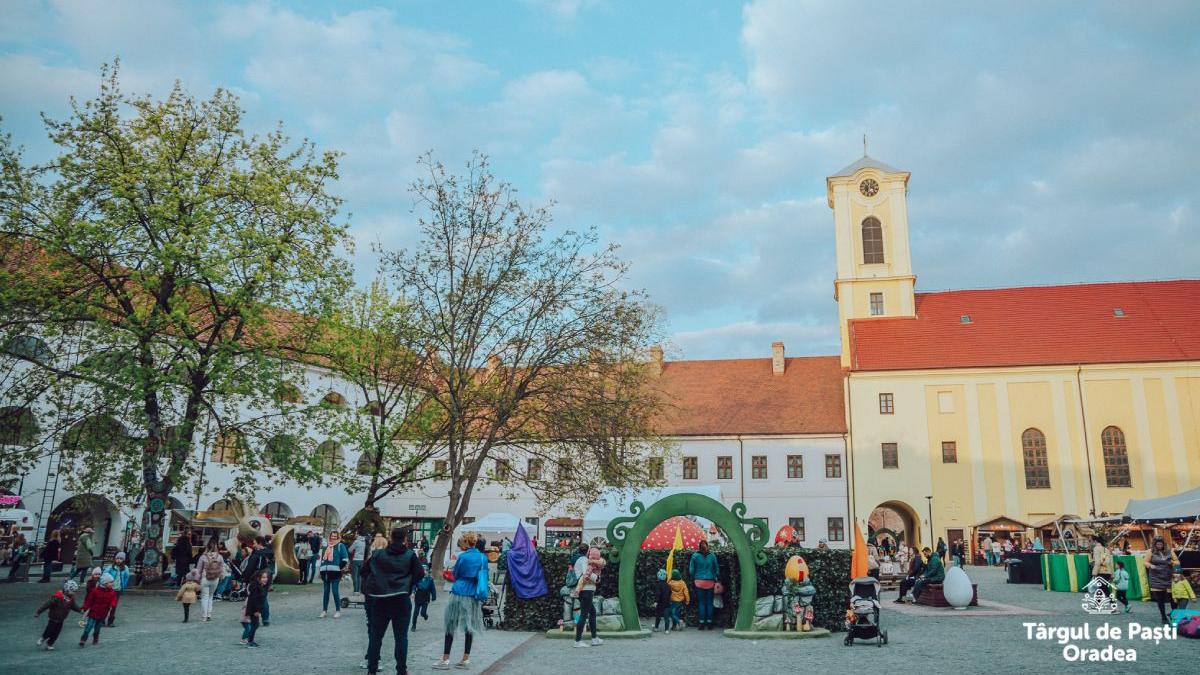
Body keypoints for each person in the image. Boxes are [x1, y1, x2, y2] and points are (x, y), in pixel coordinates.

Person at [360, 526, 424, 675]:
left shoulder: (377, 554)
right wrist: (408, 584)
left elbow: (364, 572)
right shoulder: (409, 555)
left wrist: (375, 584)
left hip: (380, 599)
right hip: (401, 599)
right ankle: (401, 670)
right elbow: (420, 573)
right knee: (401, 637)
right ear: (405, 540)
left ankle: (372, 670)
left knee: (376, 637)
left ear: (390, 538)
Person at [434, 533, 486, 670]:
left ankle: (445, 658)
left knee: (451, 623)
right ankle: (465, 658)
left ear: (466, 543)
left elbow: (456, 574)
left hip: (459, 592)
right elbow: (484, 576)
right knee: (470, 625)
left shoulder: (463, 557)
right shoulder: (482, 557)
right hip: (473, 593)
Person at [35, 579, 83, 650]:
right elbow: (46, 605)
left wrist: (80, 610)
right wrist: (38, 612)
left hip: (61, 619)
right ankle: (43, 638)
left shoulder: (71, 599)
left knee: (56, 634)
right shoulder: (57, 597)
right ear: (67, 590)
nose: (74, 593)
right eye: (73, 591)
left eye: (75, 591)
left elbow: (74, 606)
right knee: (49, 630)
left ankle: (49, 644)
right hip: (53, 618)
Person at [572, 546, 604, 647]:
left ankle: (594, 638)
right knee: (584, 614)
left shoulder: (580, 559)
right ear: (588, 552)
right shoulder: (584, 560)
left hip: (585, 590)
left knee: (592, 613)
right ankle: (578, 641)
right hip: (586, 590)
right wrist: (597, 578)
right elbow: (587, 573)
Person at [1144, 536, 1178, 624]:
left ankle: (1174, 615)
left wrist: (1173, 562)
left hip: (1168, 576)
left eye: (1161, 544)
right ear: (1155, 544)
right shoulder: (1150, 551)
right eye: (1158, 544)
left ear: (1164, 544)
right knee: (1160, 599)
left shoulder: (1170, 551)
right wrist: (1150, 566)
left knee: (1173, 598)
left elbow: (1178, 562)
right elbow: (1145, 562)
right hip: (1156, 577)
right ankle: (1163, 617)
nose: (1159, 545)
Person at [79, 573, 118, 647]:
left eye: (112, 582)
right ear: (104, 583)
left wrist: (112, 605)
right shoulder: (95, 591)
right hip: (93, 612)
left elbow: (114, 600)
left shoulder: (112, 592)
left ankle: (95, 638)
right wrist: (85, 607)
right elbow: (89, 600)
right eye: (110, 582)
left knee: (97, 628)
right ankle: (83, 639)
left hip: (103, 613)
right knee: (88, 627)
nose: (111, 584)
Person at [689, 540, 720, 630]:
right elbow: (717, 569)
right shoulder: (712, 556)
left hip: (698, 581)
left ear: (699, 547)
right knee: (709, 603)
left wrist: (694, 577)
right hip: (710, 581)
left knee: (701, 603)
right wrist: (716, 577)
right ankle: (710, 623)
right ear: (707, 546)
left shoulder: (695, 556)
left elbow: (691, 570)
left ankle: (701, 623)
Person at [319, 530, 349, 618]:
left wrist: (339, 568)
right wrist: (321, 570)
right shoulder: (326, 546)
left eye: (335, 536)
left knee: (335, 591)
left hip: (335, 572)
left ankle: (338, 610)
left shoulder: (340, 545)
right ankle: (324, 610)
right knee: (326, 592)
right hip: (325, 572)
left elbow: (345, 559)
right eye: (332, 536)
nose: (333, 538)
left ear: (338, 537)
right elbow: (323, 559)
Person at [241, 568, 269, 648]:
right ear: (258, 578)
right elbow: (255, 600)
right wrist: (257, 610)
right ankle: (250, 641)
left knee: (255, 625)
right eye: (263, 577)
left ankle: (250, 640)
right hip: (253, 609)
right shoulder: (257, 587)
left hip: (254, 608)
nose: (265, 579)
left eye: (266, 577)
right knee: (255, 625)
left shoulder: (260, 586)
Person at [101, 552, 131, 626]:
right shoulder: (111, 567)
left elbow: (126, 578)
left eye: (121, 559)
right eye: (117, 558)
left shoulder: (125, 568)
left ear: (123, 560)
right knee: (105, 605)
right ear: (115, 559)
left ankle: (111, 621)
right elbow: (104, 575)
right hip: (109, 589)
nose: (118, 560)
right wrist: (105, 584)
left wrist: (123, 587)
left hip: (117, 590)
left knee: (113, 605)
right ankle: (102, 620)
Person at [196, 541, 223, 620]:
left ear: (207, 547)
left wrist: (197, 580)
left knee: (204, 597)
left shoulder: (203, 557)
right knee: (211, 596)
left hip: (205, 578)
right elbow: (222, 569)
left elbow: (198, 569)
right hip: (215, 578)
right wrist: (221, 577)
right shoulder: (219, 557)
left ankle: (204, 616)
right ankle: (209, 615)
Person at [412, 564, 436, 630]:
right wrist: (413, 592)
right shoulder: (418, 578)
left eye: (426, 570)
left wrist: (434, 596)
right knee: (415, 612)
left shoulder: (430, 580)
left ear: (428, 571)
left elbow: (433, 589)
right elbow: (414, 586)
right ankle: (413, 625)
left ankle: (425, 615)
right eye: (423, 570)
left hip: (426, 597)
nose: (425, 572)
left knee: (422, 612)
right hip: (418, 596)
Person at [667, 568, 690, 633]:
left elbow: (667, 586)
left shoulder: (670, 583)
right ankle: (674, 626)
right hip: (680, 601)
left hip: (673, 601)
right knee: (676, 613)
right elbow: (686, 592)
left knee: (672, 613)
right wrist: (687, 600)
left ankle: (679, 621)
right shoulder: (683, 583)